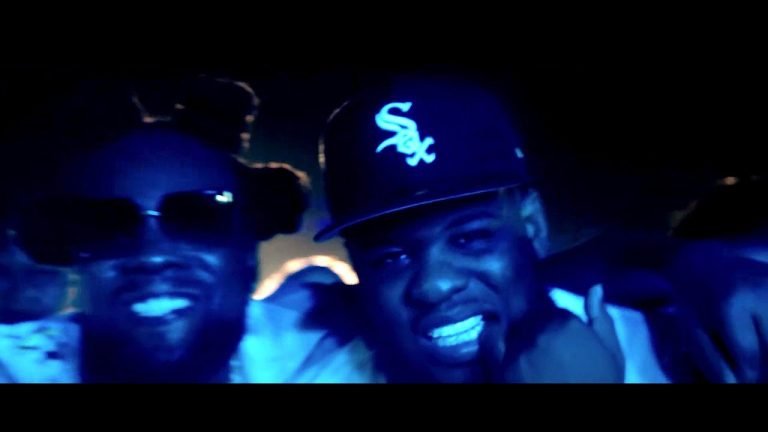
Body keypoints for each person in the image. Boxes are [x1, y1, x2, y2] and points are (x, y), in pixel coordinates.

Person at [3, 77, 369, 383]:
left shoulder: (335, 349)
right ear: (75, 255)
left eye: (199, 217)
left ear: (248, 250)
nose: (152, 254)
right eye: (109, 223)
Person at [312, 75, 655, 383]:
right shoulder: (312, 368)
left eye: (470, 238)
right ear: (358, 271)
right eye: (390, 259)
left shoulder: (662, 353)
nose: (434, 287)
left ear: (533, 225)